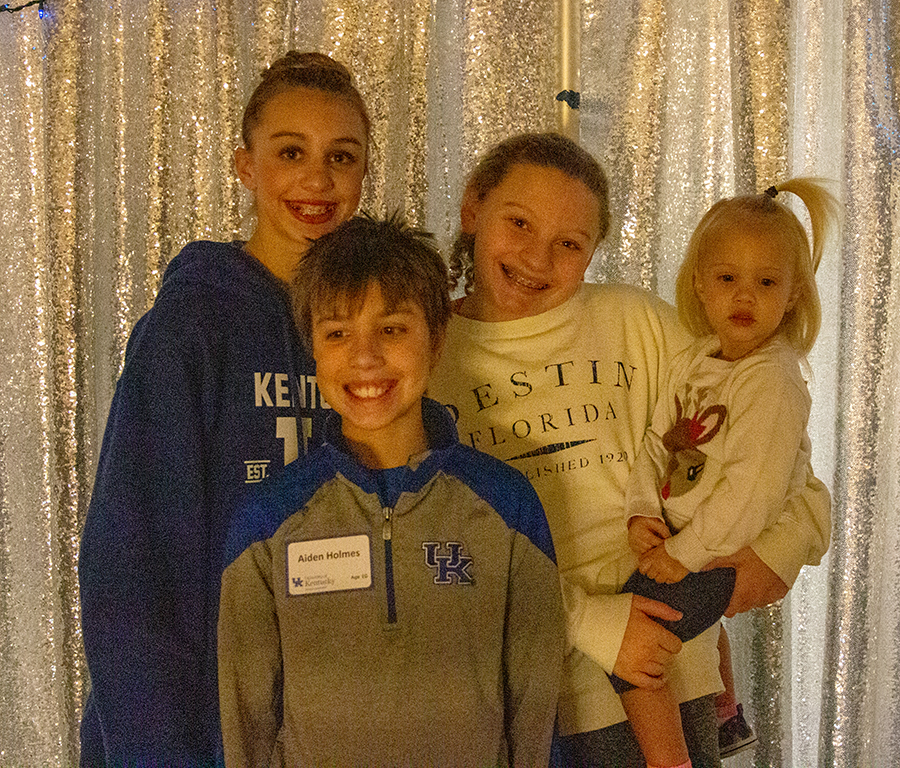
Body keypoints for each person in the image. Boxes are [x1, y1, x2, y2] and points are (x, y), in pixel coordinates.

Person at [428, 133, 831, 768]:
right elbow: (432, 554)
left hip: (668, 676)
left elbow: (784, 465)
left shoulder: (635, 321)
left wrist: (771, 556)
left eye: (569, 243)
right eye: (519, 223)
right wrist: (589, 622)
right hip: (521, 696)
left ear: (593, 251)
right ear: (473, 208)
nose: (537, 257)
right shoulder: (419, 352)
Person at [78, 52, 369, 767]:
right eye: (291, 152)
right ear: (246, 167)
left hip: (336, 716)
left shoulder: (374, 334)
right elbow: (132, 564)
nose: (317, 180)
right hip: (206, 725)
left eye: (341, 156)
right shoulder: (189, 328)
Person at [217, 215, 566, 767]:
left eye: (392, 329)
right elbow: (247, 723)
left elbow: (537, 707)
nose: (365, 357)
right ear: (313, 350)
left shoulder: (506, 505)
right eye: (337, 333)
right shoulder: (268, 520)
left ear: (437, 340)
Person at [618, 179, 839, 768]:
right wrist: (642, 510)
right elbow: (656, 444)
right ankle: (726, 714)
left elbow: (751, 495)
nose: (745, 296)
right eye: (727, 278)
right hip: (691, 539)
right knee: (672, 630)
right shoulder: (695, 360)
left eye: (766, 283)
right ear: (699, 282)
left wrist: (683, 554)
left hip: (727, 546)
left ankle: (674, 759)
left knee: (633, 642)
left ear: (792, 295)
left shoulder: (772, 379)